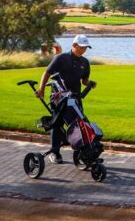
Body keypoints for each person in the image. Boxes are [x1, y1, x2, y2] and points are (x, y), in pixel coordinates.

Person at [36, 34, 93, 163]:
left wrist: (90, 83)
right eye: (82, 47)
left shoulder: (85, 62)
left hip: (75, 97)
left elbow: (84, 81)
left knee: (79, 122)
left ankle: (81, 152)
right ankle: (55, 153)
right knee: (57, 123)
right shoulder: (61, 58)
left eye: (86, 48)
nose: (84, 50)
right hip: (59, 97)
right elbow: (47, 73)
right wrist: (41, 89)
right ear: (74, 45)